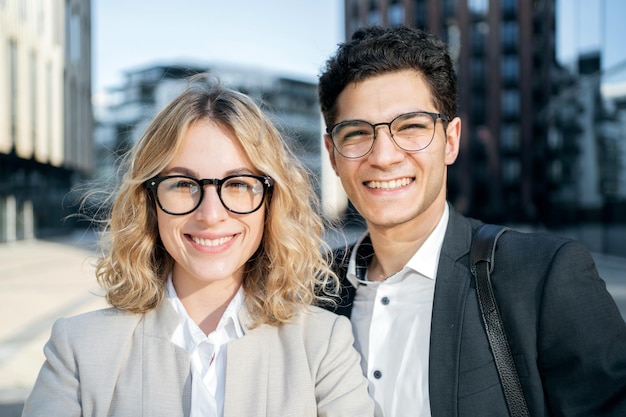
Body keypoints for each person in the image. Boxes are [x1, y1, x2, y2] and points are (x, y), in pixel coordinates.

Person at [318, 25, 626, 417]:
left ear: (450, 140)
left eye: (411, 127)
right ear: (332, 153)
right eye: (357, 133)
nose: (383, 156)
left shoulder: (542, 277)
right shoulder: (311, 288)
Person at [21, 78, 374, 417]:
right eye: (182, 184)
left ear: (271, 200)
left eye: (237, 183)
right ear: (149, 200)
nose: (210, 214)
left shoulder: (323, 345)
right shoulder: (79, 349)